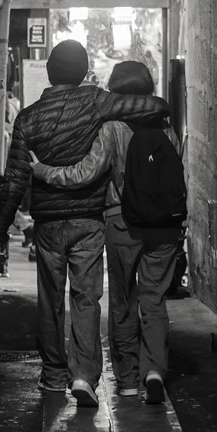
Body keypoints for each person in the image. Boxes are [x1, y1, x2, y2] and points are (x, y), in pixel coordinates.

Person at [0, 37, 167, 404]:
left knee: (50, 299)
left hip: (48, 225)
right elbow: (154, 105)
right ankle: (84, 375)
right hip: (88, 220)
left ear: (49, 73)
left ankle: (54, 374)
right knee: (86, 298)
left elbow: (15, 181)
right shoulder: (96, 101)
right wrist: (147, 108)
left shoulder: (27, 118)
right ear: (85, 72)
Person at [32, 60, 185, 406]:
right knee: (154, 299)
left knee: (122, 300)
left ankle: (128, 380)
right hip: (165, 226)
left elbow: (88, 172)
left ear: (115, 91)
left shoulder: (112, 127)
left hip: (122, 222)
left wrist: (44, 172)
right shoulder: (167, 129)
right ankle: (154, 370)